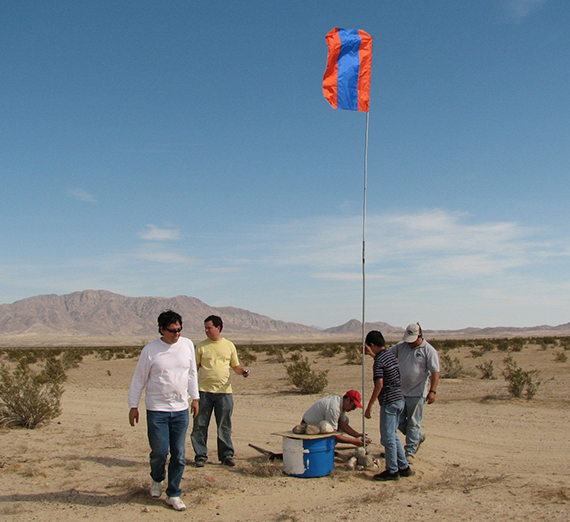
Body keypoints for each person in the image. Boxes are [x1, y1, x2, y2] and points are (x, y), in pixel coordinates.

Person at [128, 310, 199, 512]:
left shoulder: (187, 345)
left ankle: (174, 493)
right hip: (157, 409)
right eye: (172, 330)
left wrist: (195, 398)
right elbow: (139, 379)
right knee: (160, 452)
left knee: (179, 454)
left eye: (179, 329)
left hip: (180, 409)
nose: (176, 334)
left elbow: (192, 373)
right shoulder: (150, 350)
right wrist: (133, 406)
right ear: (162, 329)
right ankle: (157, 478)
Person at [191, 315, 249, 467]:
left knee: (224, 425)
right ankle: (200, 455)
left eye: (209, 327)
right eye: (205, 328)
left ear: (218, 328)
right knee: (200, 424)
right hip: (203, 391)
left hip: (224, 392)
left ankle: (226, 455)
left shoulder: (229, 346)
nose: (206, 331)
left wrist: (242, 371)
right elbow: (194, 369)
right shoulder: (201, 347)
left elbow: (235, 366)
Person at [364, 330, 413, 481]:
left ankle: (392, 470)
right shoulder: (390, 355)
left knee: (388, 437)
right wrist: (372, 355)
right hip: (399, 399)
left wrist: (370, 405)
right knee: (393, 435)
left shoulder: (379, 361)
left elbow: (379, 384)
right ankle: (404, 467)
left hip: (389, 401)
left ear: (372, 345)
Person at [388, 322, 440, 459]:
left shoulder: (429, 350)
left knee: (413, 422)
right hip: (400, 392)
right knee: (397, 421)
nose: (410, 343)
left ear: (420, 335)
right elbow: (386, 356)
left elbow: (435, 372)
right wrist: (371, 351)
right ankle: (418, 437)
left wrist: (432, 391)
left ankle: (410, 452)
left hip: (417, 393)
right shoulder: (401, 346)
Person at [294, 390, 368, 446]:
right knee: (329, 430)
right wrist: (354, 441)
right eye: (354, 406)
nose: (353, 409)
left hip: (317, 424)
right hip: (309, 428)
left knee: (345, 420)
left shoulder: (340, 403)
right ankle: (326, 447)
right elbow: (333, 434)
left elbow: (343, 424)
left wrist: (358, 435)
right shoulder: (334, 408)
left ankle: (329, 446)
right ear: (348, 400)